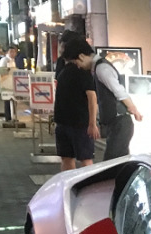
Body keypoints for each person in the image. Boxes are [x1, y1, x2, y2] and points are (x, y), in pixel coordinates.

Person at [53, 37, 99, 170]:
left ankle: (67, 187)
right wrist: (92, 123)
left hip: (62, 122)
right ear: (81, 56)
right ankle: (87, 188)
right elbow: (92, 97)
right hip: (80, 124)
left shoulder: (63, 72)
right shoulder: (84, 74)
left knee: (66, 159)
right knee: (86, 160)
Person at [93, 48, 143, 159]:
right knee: (118, 161)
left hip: (120, 121)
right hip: (117, 121)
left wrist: (133, 109)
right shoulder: (101, 67)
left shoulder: (102, 68)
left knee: (112, 163)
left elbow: (119, 91)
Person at [0, 46, 19, 121]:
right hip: (6, 83)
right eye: (11, 52)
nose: (13, 53)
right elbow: (1, 71)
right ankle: (8, 117)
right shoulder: (4, 60)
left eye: (14, 52)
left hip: (13, 83)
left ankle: (13, 116)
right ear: (7, 52)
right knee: (7, 100)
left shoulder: (13, 60)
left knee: (14, 100)